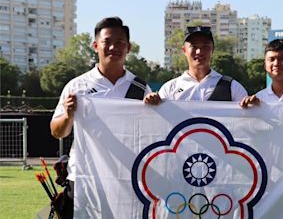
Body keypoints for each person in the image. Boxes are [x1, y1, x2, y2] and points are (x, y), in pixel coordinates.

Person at [50, 17, 156, 210]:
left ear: (128, 47)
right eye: (107, 42)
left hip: (127, 178)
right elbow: (58, 132)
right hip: (85, 177)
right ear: (95, 45)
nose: (113, 47)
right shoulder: (77, 86)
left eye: (120, 43)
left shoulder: (140, 88)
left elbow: (153, 134)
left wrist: (155, 108)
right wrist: (67, 115)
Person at [146, 26, 247, 102]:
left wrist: (252, 106)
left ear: (213, 50)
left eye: (205, 46)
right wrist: (152, 104)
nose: (199, 52)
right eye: (194, 46)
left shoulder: (232, 88)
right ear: (184, 50)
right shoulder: (169, 89)